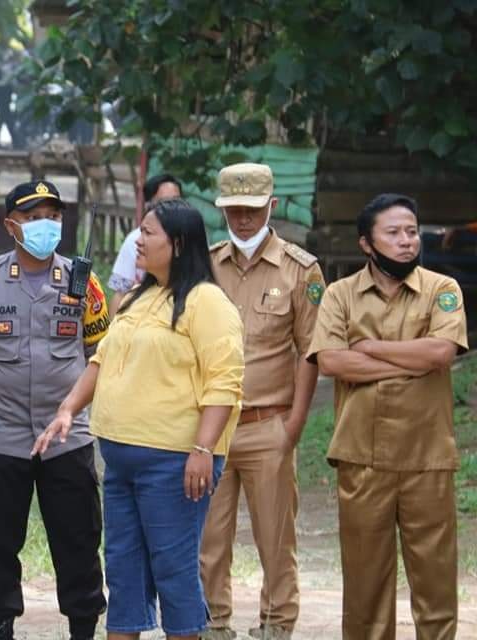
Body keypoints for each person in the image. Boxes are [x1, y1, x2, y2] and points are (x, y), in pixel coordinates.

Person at [35, 198, 245, 640]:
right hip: (120, 459)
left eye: (148, 233)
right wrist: (68, 408)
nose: (138, 241)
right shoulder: (136, 297)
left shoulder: (209, 303)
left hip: (175, 462)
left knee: (173, 568)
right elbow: (101, 361)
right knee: (123, 568)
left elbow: (224, 383)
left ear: (180, 243)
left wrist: (203, 449)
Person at [0, 180, 110, 640]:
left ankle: (83, 627)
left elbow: (100, 353)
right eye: (34, 216)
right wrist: (3, 389)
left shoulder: (85, 284)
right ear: (10, 225)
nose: (46, 225)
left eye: (54, 216)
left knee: (78, 542)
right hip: (1, 437)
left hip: (68, 437)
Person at [306, 193, 468, 640]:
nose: (406, 242)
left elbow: (440, 352)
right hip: (362, 458)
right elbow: (333, 363)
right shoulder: (339, 295)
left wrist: (371, 349)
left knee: (435, 585)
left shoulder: (442, 290)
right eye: (393, 233)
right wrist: (412, 362)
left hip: (427, 455)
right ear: (366, 243)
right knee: (365, 588)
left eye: (412, 232)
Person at [198, 163, 325, 640]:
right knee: (209, 537)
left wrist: (293, 424)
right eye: (233, 209)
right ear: (222, 209)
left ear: (271, 206)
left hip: (269, 422)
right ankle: (213, 623)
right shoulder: (205, 265)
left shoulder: (300, 269)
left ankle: (276, 624)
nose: (243, 218)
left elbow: (312, 350)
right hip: (212, 427)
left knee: (275, 537)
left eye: (252, 209)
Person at [107, 174, 183, 310]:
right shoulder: (134, 241)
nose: (173, 209)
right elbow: (120, 293)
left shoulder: (190, 236)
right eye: (165, 203)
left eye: (177, 202)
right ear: (149, 206)